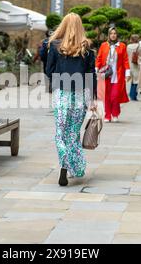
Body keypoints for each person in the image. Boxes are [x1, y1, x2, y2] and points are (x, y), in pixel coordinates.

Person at [45, 13, 97, 186]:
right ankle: (75, 167)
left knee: (60, 134)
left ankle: (64, 167)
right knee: (73, 134)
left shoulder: (55, 46)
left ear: (64, 25)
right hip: (80, 94)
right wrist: (93, 99)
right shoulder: (87, 48)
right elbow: (91, 75)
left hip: (62, 94)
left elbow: (48, 70)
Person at [95, 27, 130, 122]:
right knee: (106, 96)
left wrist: (127, 72)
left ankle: (115, 114)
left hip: (117, 75)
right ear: (108, 35)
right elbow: (99, 58)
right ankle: (107, 115)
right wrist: (96, 69)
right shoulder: (103, 45)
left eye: (115, 33)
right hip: (105, 74)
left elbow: (125, 60)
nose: (113, 35)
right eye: (111, 33)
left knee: (115, 96)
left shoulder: (122, 46)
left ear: (117, 35)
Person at [127, 34, 140, 101]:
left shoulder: (128, 46)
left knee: (132, 80)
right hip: (137, 65)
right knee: (136, 81)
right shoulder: (139, 46)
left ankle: (131, 94)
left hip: (129, 65)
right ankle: (133, 95)